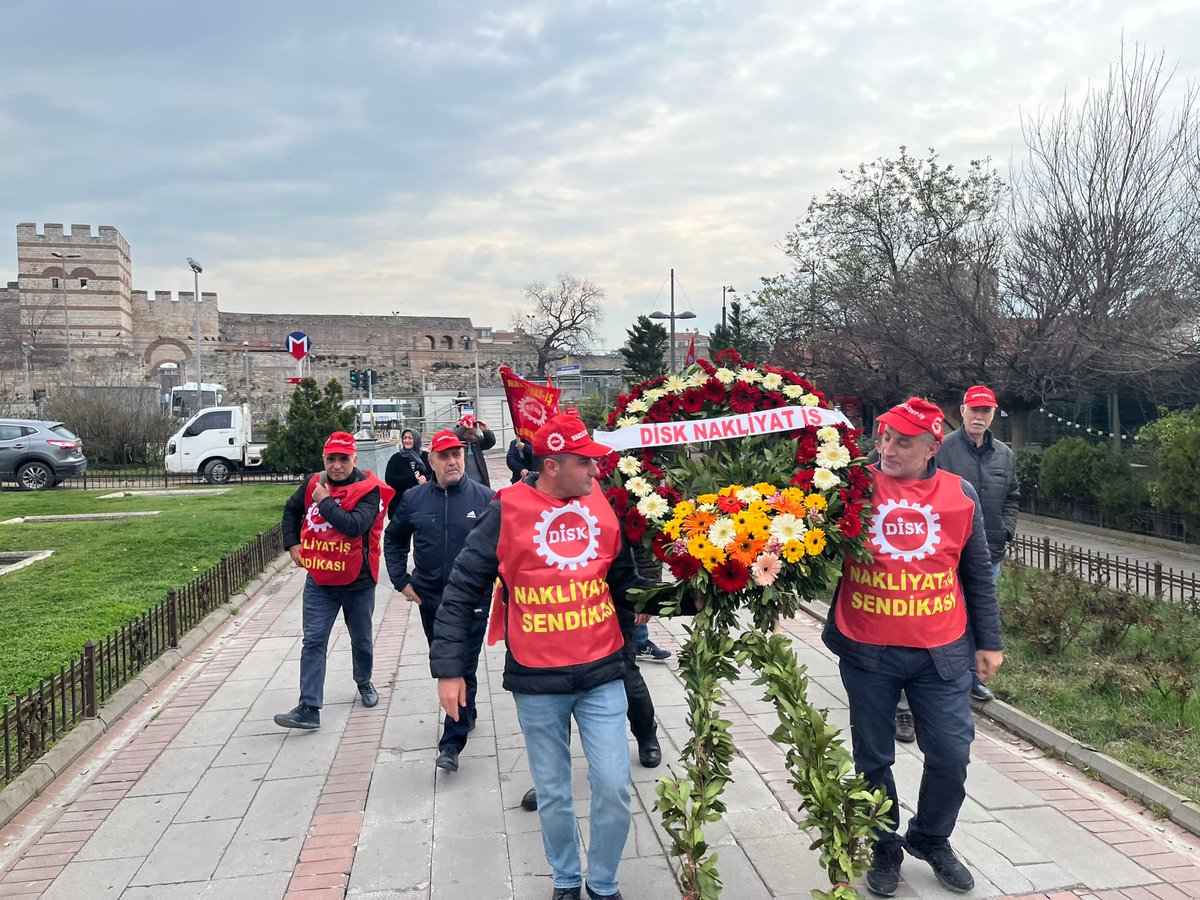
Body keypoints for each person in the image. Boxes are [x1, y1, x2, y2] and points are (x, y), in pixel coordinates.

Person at [430, 411, 698, 900]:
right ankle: (567, 880)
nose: (597, 472)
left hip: (602, 671)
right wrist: (450, 669)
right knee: (553, 794)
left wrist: (690, 600)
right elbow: (464, 585)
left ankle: (604, 883)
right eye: (586, 463)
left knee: (615, 788)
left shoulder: (601, 506)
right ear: (552, 465)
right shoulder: (507, 509)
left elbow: (626, 588)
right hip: (537, 680)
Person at [822, 398, 1003, 897]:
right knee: (873, 757)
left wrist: (989, 642)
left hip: (940, 653)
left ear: (931, 447)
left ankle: (930, 837)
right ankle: (885, 845)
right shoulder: (850, 487)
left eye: (902, 441)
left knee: (951, 755)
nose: (887, 448)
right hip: (868, 650)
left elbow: (978, 575)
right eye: (883, 437)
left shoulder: (959, 495)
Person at [383, 429, 493, 773]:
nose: (452, 461)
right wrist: (401, 580)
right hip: (431, 600)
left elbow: (501, 549)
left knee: (460, 664)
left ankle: (452, 743)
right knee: (450, 662)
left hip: (473, 601)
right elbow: (394, 539)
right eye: (444, 456)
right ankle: (467, 712)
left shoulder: (485, 499)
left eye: (457, 455)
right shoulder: (415, 499)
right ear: (431, 462)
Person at [275, 432, 394, 730]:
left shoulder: (370, 490)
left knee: (362, 639)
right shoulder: (314, 482)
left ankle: (364, 681)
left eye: (344, 459)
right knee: (313, 640)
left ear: (355, 459)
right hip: (320, 580)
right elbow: (291, 510)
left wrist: (326, 501)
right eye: (332, 459)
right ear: (324, 459)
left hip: (358, 580)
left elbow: (355, 526)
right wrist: (292, 543)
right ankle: (309, 707)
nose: (337, 465)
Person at [933, 384, 1018, 702]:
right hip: (949, 553)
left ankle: (970, 677)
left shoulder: (1005, 456)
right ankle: (942, 678)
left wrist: (1007, 529)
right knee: (946, 615)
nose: (979, 416)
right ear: (962, 411)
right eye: (974, 410)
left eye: (986, 411)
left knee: (975, 615)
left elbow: (1013, 496)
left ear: (993, 415)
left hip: (989, 552)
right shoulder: (942, 450)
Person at [383, 428, 430, 518]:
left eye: (410, 438)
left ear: (416, 440)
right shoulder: (396, 458)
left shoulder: (426, 456)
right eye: (405, 438)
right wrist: (412, 478)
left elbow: (435, 474)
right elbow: (389, 479)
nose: (407, 440)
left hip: (422, 503)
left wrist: (426, 479)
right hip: (400, 504)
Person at [455, 413, 496, 487]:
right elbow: (453, 439)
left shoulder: (476, 440)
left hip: (480, 482)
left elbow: (490, 442)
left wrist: (486, 431)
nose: (472, 428)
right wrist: (463, 429)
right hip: (463, 484)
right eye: (470, 425)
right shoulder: (457, 441)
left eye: (474, 426)